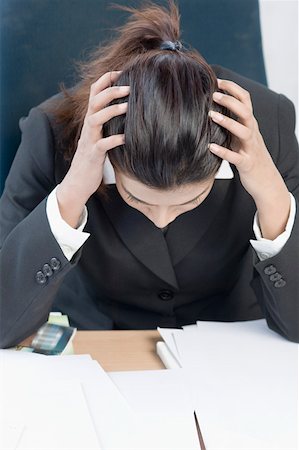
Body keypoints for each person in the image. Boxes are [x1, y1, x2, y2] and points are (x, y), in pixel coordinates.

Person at [0, 0, 298, 348]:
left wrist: (272, 196)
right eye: (136, 197)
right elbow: (4, 327)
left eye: (192, 199)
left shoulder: (267, 124)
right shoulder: (51, 130)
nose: (160, 219)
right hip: (101, 342)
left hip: (232, 345)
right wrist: (70, 195)